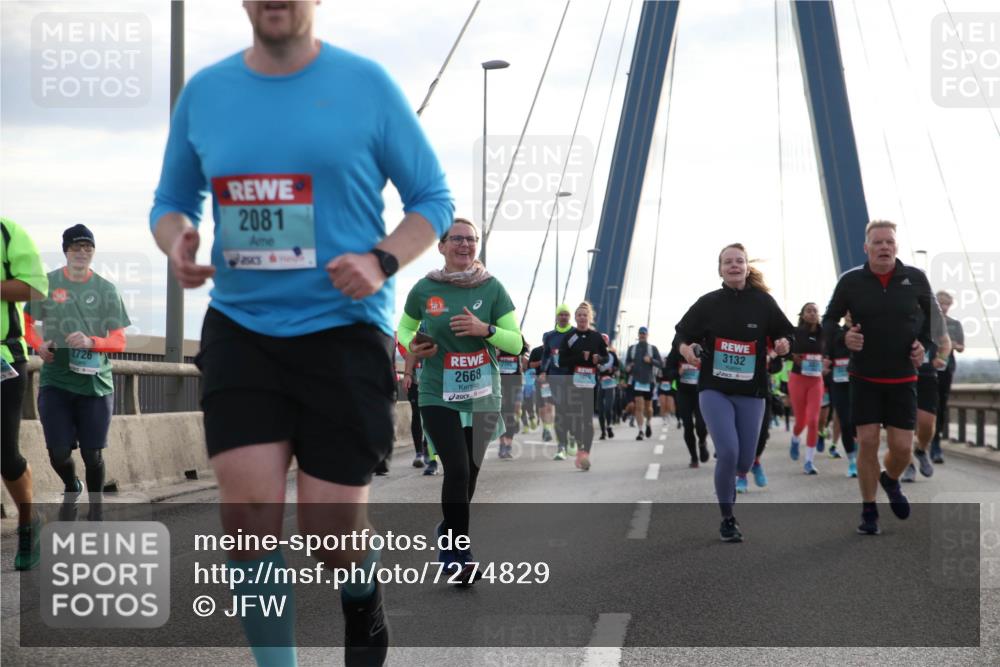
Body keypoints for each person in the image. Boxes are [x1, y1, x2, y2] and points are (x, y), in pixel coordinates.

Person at [150, 2, 454, 663]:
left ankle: (362, 594)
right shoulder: (207, 91)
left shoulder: (365, 85)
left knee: (329, 533)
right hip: (241, 327)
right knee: (248, 517)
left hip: (343, 332)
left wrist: (380, 261)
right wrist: (180, 242)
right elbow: (170, 203)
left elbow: (433, 199)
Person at [397, 218, 522, 583]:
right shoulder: (424, 289)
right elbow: (404, 329)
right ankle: (461, 555)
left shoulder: (493, 288)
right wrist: (414, 345)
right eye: (457, 239)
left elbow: (516, 342)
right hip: (438, 390)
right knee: (458, 469)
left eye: (471, 239)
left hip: (483, 391)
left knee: (471, 473)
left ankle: (447, 533)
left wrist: (487, 331)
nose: (464, 245)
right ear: (442, 246)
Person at [675, 243, 794, 542]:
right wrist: (687, 350)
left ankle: (741, 467)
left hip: (751, 391)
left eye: (739, 261)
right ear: (720, 269)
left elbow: (787, 332)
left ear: (746, 267)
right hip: (714, 389)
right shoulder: (708, 303)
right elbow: (682, 335)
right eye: (728, 262)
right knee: (728, 452)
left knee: (744, 461)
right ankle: (728, 518)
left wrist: (784, 344)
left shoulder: (763, 302)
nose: (734, 266)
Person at [821, 220, 932, 536]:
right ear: (866, 247)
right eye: (878, 242)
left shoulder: (915, 278)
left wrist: (925, 346)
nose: (884, 247)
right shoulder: (851, 282)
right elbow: (829, 321)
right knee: (867, 441)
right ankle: (869, 510)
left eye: (889, 242)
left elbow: (932, 325)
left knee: (901, 450)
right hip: (865, 376)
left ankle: (891, 479)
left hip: (902, 378)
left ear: (896, 246)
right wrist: (845, 338)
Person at [25, 225, 130, 523]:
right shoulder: (47, 284)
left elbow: (120, 341)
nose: (82, 252)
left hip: (95, 386)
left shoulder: (107, 290)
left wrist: (91, 342)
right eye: (76, 247)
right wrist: (38, 345)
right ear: (66, 250)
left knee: (92, 455)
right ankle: (72, 485)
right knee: (58, 453)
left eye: (88, 247)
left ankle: (96, 510)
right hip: (56, 382)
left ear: (93, 252)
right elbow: (27, 324)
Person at [1, 217, 48, 570]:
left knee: (5, 454)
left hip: (4, 357)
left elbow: (35, 288)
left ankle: (29, 521)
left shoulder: (8, 232)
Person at [901, 293, 951, 483]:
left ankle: (921, 449)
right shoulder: (893, 310)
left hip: (927, 375)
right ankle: (908, 465)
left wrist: (942, 358)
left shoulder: (932, 316)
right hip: (900, 376)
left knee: (927, 425)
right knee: (903, 426)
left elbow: (945, 342)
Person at [558, 302, 608, 470]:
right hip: (573, 383)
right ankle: (580, 446)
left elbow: (606, 357)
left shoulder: (596, 337)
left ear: (589, 318)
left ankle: (584, 452)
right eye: (579, 315)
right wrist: (580, 356)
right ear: (575, 317)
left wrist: (598, 359)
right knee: (574, 420)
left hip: (590, 385)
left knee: (587, 420)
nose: (582, 318)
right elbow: (561, 361)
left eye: (585, 315)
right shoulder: (570, 337)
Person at [788, 302, 826, 475]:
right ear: (802, 315)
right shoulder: (795, 333)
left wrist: (827, 361)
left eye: (815, 311)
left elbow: (831, 351)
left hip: (816, 381)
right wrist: (792, 356)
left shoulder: (824, 333)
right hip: (798, 379)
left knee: (813, 420)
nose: (812, 313)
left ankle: (809, 461)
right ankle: (795, 438)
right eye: (808, 311)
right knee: (801, 421)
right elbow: (785, 349)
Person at [932, 290, 965, 463]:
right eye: (941, 303)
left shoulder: (954, 324)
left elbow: (961, 347)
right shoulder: (928, 322)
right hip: (927, 366)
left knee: (940, 406)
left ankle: (936, 441)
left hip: (946, 367)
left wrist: (952, 345)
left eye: (946, 304)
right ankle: (924, 439)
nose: (944, 307)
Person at [664, 341, 709, 467]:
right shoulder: (677, 350)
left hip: (700, 391)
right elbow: (668, 371)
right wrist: (677, 372)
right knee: (688, 426)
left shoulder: (704, 345)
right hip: (683, 393)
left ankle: (702, 442)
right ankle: (694, 457)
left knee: (701, 424)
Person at [540, 305, 575, 459]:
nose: (563, 317)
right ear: (557, 316)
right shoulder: (550, 336)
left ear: (569, 317)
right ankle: (561, 446)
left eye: (566, 314)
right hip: (555, 377)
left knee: (571, 412)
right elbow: (546, 356)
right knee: (560, 412)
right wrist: (543, 371)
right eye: (561, 314)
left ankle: (573, 436)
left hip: (573, 378)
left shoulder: (575, 334)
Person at [827, 313, 859, 478]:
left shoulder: (864, 333)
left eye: (852, 313)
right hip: (839, 383)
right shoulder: (836, 335)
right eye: (847, 313)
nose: (849, 316)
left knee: (860, 422)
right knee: (845, 422)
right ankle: (852, 461)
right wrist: (826, 363)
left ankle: (861, 455)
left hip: (860, 383)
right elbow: (827, 356)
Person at [625, 327, 663, 440]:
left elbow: (660, 363)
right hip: (636, 381)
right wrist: (628, 367)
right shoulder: (632, 348)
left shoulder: (652, 349)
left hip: (649, 381)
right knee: (639, 406)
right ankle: (640, 430)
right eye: (640, 333)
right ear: (638, 335)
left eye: (644, 333)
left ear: (647, 335)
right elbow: (627, 362)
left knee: (648, 408)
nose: (642, 335)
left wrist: (650, 360)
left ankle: (648, 423)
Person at [497, 336, 529, 460]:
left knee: (510, 413)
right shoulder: (495, 335)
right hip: (499, 382)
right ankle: (502, 444)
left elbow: (525, 349)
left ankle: (508, 445)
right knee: (501, 414)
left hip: (514, 382)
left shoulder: (516, 335)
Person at [597, 334, 619, 440]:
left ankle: (609, 426)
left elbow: (617, 366)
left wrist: (613, 370)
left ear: (607, 342)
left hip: (610, 382)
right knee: (600, 410)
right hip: (599, 383)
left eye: (604, 341)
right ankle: (603, 432)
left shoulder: (612, 354)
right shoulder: (596, 354)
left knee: (608, 408)